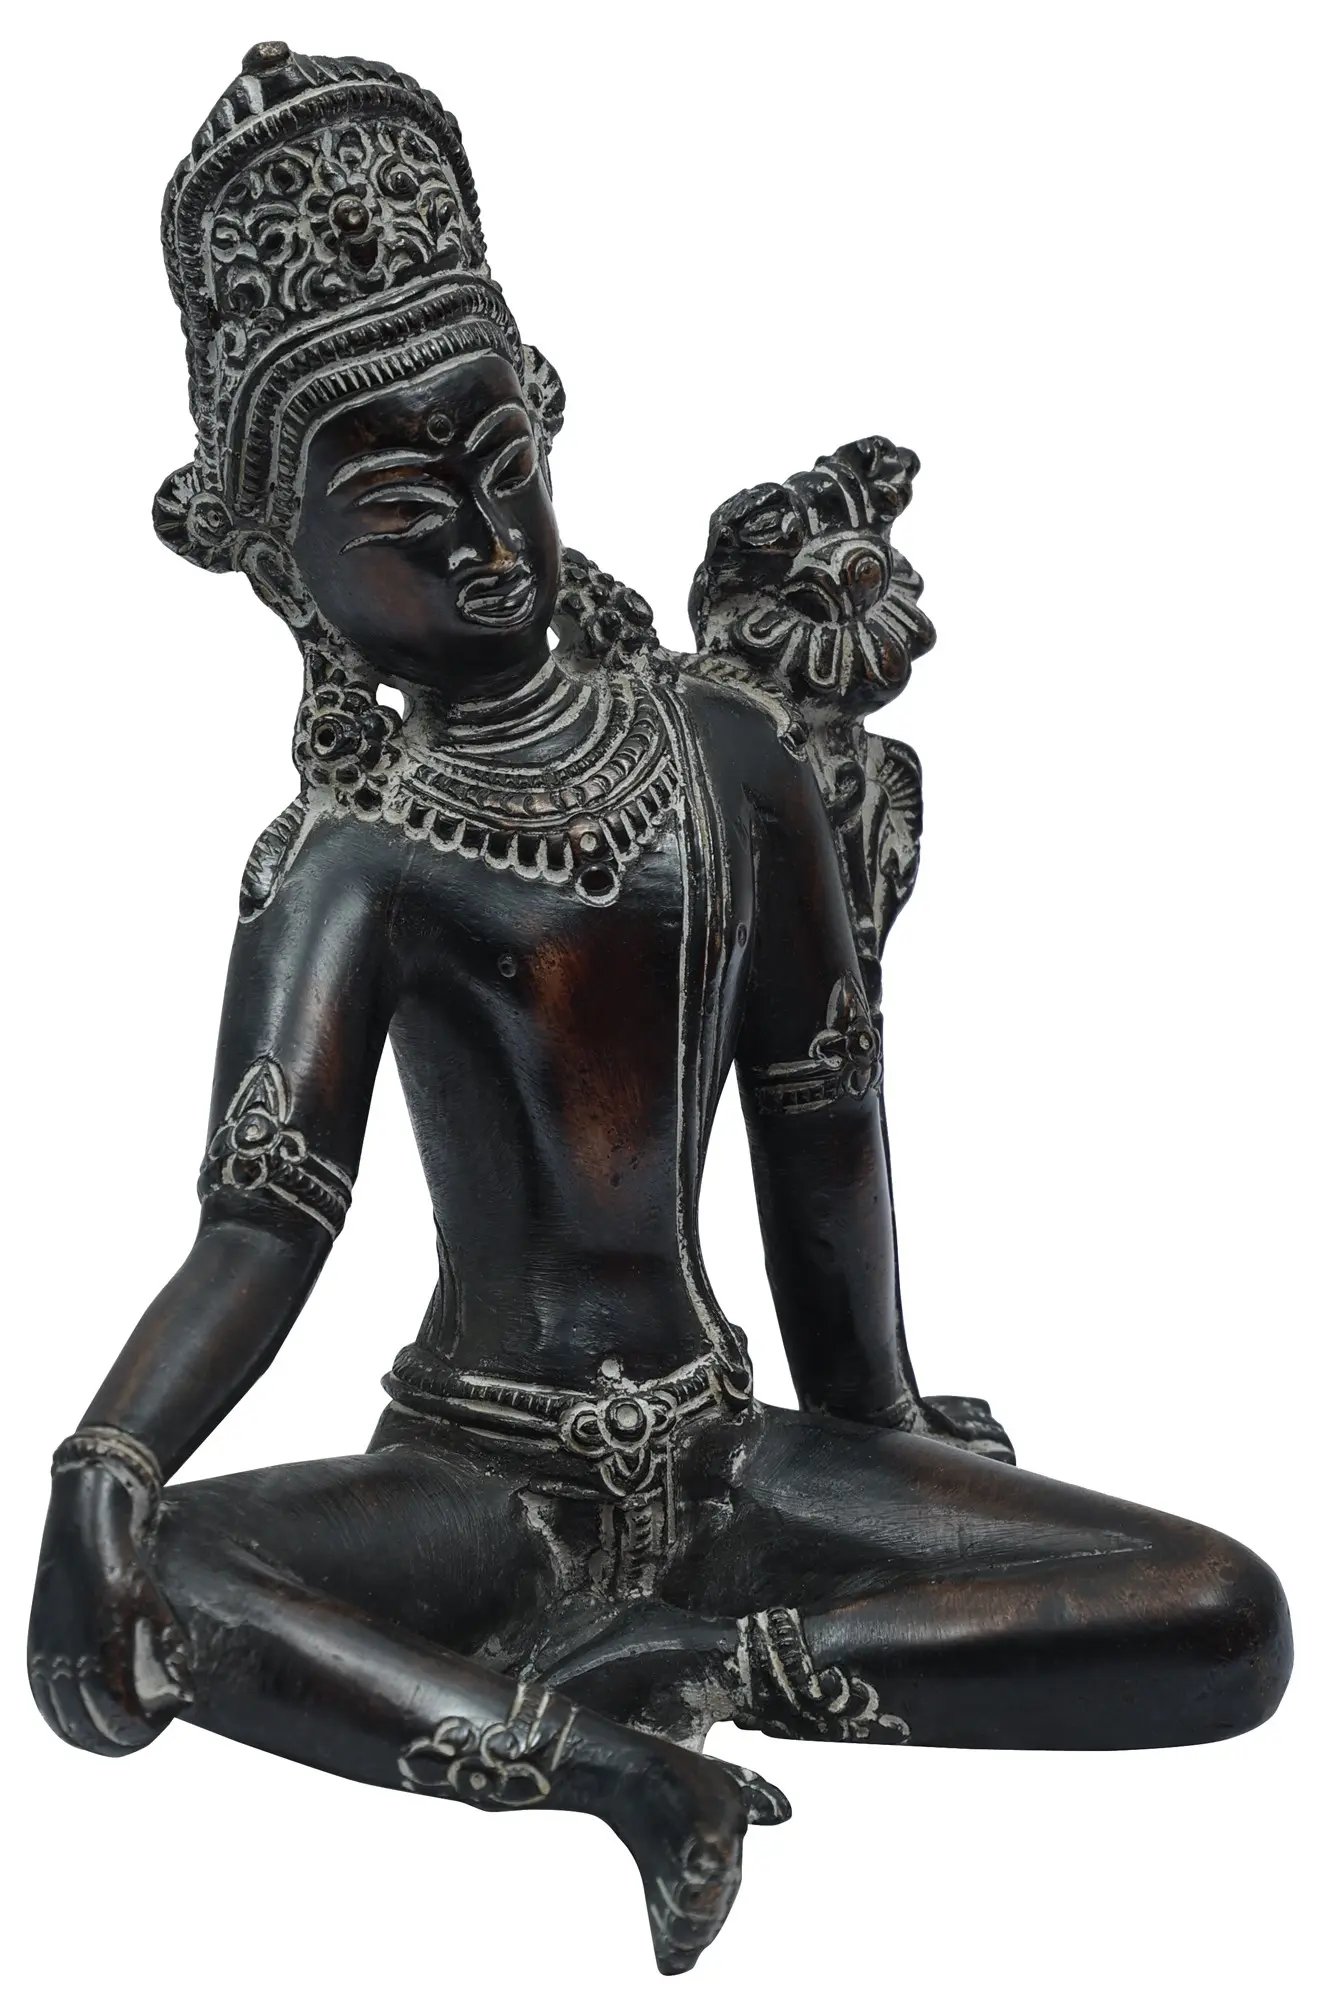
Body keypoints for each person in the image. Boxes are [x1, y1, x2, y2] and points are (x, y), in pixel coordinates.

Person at [27, 44, 1291, 1976]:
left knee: (1226, 1615)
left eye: (498, 461)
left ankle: (696, 1664)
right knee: (165, 1587)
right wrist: (108, 1465)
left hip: (725, 1448)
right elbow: (264, 1223)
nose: (480, 534)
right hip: (475, 1474)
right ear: (282, 563)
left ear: (545, 420)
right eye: (403, 504)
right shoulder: (351, 859)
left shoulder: (731, 756)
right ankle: (612, 1770)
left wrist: (879, 1421)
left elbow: (824, 1113)